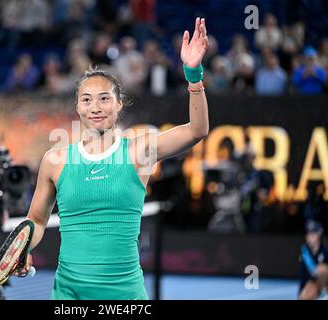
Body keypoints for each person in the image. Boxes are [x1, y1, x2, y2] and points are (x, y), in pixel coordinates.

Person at [17, 17, 209, 300]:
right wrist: (25, 248)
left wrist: (193, 74)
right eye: (86, 99)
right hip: (69, 296)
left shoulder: (138, 151)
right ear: (77, 107)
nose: (95, 107)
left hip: (125, 296)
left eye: (104, 98)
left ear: (119, 105)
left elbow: (196, 130)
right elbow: (37, 219)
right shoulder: (54, 160)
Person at [298, 220, 328, 300]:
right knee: (303, 297)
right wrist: (302, 292)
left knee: (322, 269)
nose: (309, 236)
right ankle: (320, 295)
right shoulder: (305, 252)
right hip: (314, 282)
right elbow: (303, 276)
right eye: (308, 233)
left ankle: (325, 293)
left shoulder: (325, 251)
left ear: (318, 234)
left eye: (312, 234)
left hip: (325, 283)